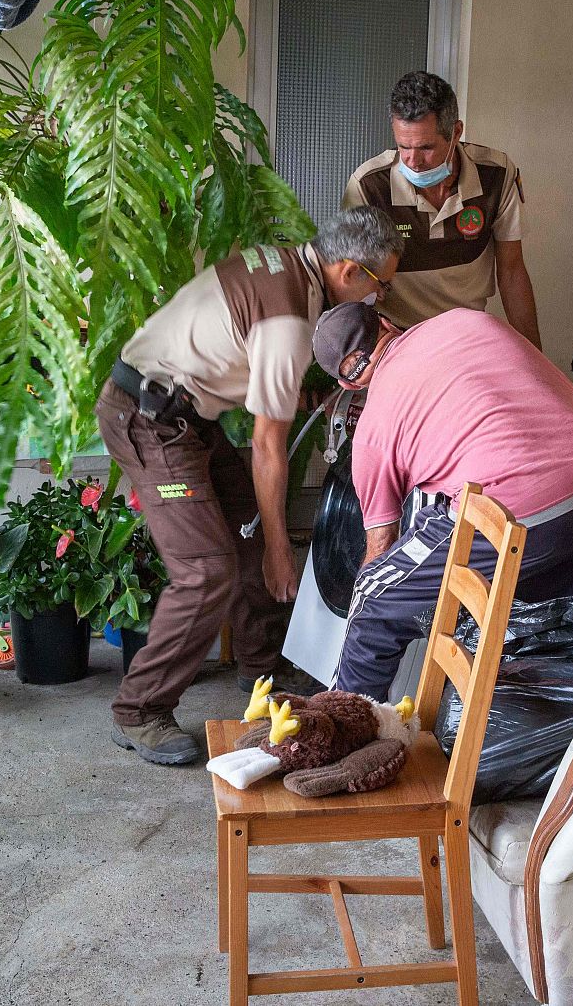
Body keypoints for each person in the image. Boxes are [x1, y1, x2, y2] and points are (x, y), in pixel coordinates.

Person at [99, 207, 404, 765]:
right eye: (379, 285)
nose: (377, 300)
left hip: (189, 417)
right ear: (348, 269)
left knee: (249, 527)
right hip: (149, 419)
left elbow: (242, 364)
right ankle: (138, 709)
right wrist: (281, 550)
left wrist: (311, 400)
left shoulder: (285, 267)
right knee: (208, 567)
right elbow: (268, 445)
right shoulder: (289, 318)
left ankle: (260, 667)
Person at [311, 302, 573, 701]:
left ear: (349, 385)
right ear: (387, 324)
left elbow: (380, 548)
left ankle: (344, 728)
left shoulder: (372, 431)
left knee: (374, 599)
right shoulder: (468, 319)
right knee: (536, 628)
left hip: (520, 510)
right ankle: (528, 745)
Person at [342, 71, 541, 348]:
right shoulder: (369, 186)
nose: (413, 161)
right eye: (403, 147)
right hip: (396, 339)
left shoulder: (496, 175)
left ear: (456, 133)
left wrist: (534, 360)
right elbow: (350, 283)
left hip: (467, 336)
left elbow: (511, 272)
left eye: (426, 147)